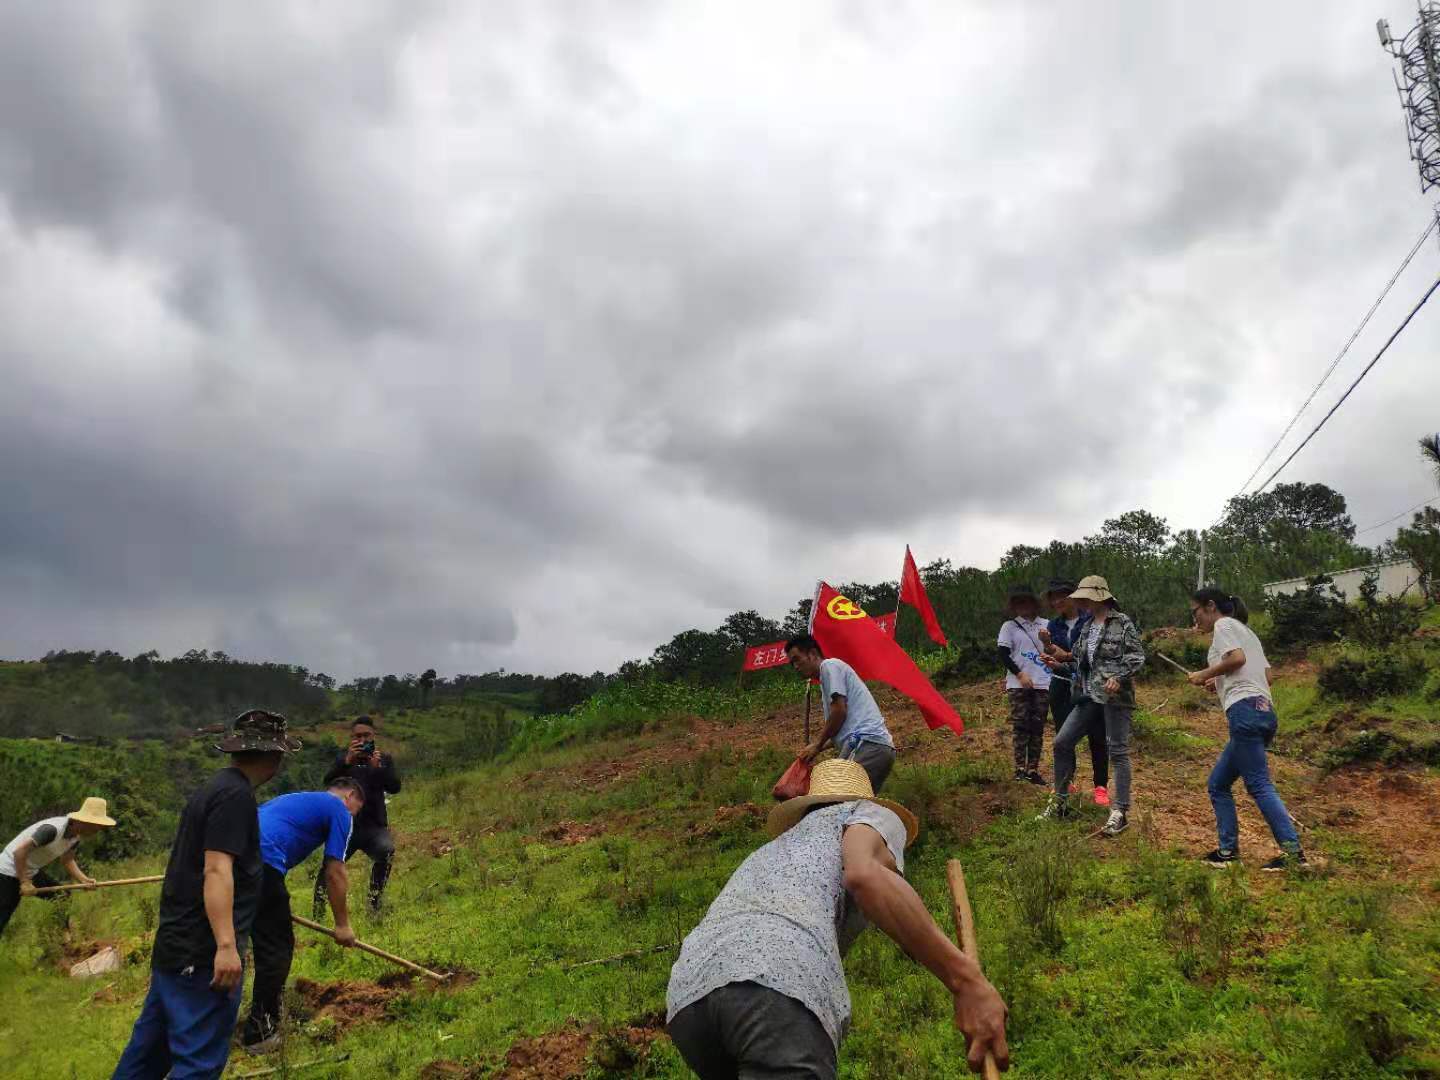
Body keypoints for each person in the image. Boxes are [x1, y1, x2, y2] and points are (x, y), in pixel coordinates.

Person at [666, 758, 1009, 1078]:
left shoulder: (782, 846)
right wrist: (968, 983)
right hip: (773, 987)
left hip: (688, 1000)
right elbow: (864, 875)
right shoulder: (867, 814)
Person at [113, 710, 300, 1080]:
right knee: (198, 1064)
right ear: (275, 757)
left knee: (147, 1058)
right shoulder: (235, 797)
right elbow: (217, 870)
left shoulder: (214, 788)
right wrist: (227, 947)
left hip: (174, 948)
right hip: (201, 958)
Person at [1188, 589, 1307, 871]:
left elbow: (1237, 659)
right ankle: (1227, 852)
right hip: (1264, 711)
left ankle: (1293, 854)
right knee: (1218, 784)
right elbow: (1265, 676)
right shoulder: (1247, 632)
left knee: (1259, 784)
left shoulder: (1224, 625)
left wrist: (1203, 674)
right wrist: (1216, 681)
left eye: (1195, 612)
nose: (1195, 619)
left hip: (1244, 712)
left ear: (1210, 606)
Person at [242, 779, 364, 1052]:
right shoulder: (339, 809)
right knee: (275, 948)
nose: (353, 816)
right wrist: (342, 924)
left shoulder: (296, 797)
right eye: (357, 810)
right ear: (351, 796)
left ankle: (208, 1026)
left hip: (230, 858)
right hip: (263, 864)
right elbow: (335, 870)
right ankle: (260, 1033)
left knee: (231, 944)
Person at [1038, 576, 1143, 836]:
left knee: (1117, 751)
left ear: (1098, 596)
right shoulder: (1087, 628)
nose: (1080, 602)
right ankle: (1060, 801)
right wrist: (1056, 660)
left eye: (1084, 597)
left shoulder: (1122, 622)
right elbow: (1078, 661)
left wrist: (1117, 677)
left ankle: (1119, 812)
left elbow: (1137, 657)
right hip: (1088, 696)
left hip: (1116, 698)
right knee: (1062, 742)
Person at [785, 634, 897, 793]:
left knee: (835, 797)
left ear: (812, 654)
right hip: (877, 747)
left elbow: (839, 712)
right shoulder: (828, 677)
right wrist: (817, 747)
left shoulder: (829, 667)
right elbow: (841, 730)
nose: (795, 666)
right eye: (792, 663)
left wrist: (817, 745)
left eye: (797, 659)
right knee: (857, 806)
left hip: (865, 743)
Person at [315, 716, 401, 916]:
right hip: (345, 826)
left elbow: (395, 787)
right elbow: (327, 782)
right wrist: (346, 762)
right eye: (357, 736)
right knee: (329, 866)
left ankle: (374, 903)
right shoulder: (343, 759)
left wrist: (377, 768)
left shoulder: (384, 760)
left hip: (374, 827)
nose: (362, 740)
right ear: (351, 738)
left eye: (366, 735)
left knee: (386, 852)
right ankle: (318, 911)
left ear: (374, 736)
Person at [1037, 579, 1109, 807]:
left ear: (1075, 596)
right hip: (1061, 684)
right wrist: (1048, 649)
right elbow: (1056, 655)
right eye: (1053, 597)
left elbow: (1089, 655)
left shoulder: (1091, 620)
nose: (1058, 601)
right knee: (1063, 736)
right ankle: (1067, 782)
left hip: (1090, 686)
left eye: (1062, 596)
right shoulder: (1052, 626)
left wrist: (1064, 657)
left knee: (1097, 735)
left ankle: (1100, 787)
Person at [0, 797, 116, 937]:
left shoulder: (74, 837)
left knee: (62, 896)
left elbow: (67, 859)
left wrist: (83, 879)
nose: (98, 829)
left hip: (30, 870)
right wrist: (24, 882)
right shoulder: (52, 830)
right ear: (83, 821)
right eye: (96, 825)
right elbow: (19, 852)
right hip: (7, 872)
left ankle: (63, 938)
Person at [997, 584, 1051, 784]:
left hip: (1043, 682)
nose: (1022, 605)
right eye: (1018, 602)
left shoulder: (1046, 624)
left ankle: (1033, 769)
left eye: (1026, 601)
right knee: (1020, 725)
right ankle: (1020, 768)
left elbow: (1054, 650)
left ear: (1034, 603)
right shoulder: (1009, 627)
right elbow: (1003, 654)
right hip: (1018, 683)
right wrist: (1019, 674)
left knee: (1037, 726)